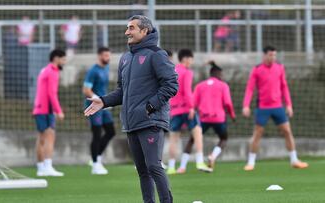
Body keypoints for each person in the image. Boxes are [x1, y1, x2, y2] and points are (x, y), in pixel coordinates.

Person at [84, 15, 177, 203]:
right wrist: (103, 101)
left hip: (151, 120)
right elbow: (122, 92)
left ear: (144, 31)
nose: (127, 32)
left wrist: (150, 106)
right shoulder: (126, 58)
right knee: (142, 171)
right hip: (132, 122)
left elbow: (171, 85)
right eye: (127, 28)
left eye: (132, 28)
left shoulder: (157, 54)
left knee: (153, 166)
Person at [242, 45, 308, 171]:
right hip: (263, 107)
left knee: (287, 131)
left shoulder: (280, 68)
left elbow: (284, 87)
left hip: (278, 106)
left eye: (274, 55)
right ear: (264, 55)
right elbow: (250, 88)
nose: (273, 57)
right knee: (257, 133)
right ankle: (251, 162)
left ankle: (294, 160)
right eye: (270, 55)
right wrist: (246, 105)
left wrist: (289, 104)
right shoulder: (257, 69)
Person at [181, 61, 236, 172]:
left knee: (192, 139)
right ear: (217, 73)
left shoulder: (200, 86)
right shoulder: (223, 85)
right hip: (218, 118)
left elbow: (193, 103)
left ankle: (182, 166)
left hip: (203, 118)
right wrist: (232, 115)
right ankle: (213, 156)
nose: (222, 76)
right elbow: (228, 103)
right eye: (221, 74)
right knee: (223, 138)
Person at [32, 49, 66, 177]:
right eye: (63, 59)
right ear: (56, 58)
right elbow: (52, 93)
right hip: (46, 109)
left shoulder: (44, 70)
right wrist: (59, 111)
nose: (64, 62)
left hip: (39, 108)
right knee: (50, 136)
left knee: (41, 138)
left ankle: (41, 168)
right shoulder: (52, 71)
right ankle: (48, 166)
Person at [82, 47, 115, 175]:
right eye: (106, 55)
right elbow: (86, 90)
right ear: (99, 56)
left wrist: (106, 101)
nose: (108, 58)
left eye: (109, 55)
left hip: (103, 105)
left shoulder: (106, 69)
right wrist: (97, 99)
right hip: (94, 106)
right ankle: (95, 165)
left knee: (111, 131)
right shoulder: (93, 71)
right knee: (96, 134)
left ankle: (96, 157)